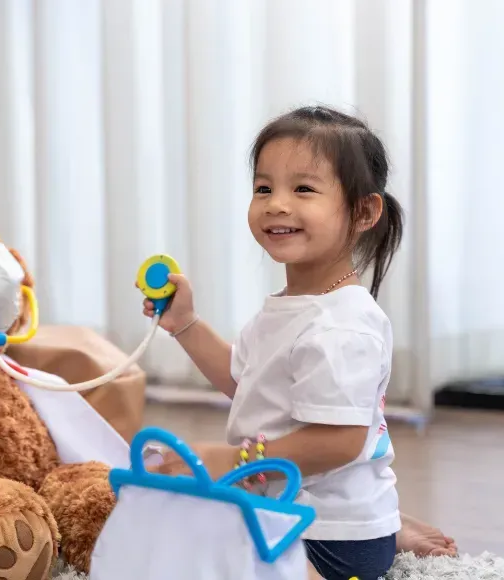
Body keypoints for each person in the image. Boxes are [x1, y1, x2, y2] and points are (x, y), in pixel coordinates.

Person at [142, 106, 456, 579]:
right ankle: (386, 523)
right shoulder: (290, 306)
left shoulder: (342, 325)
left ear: (364, 211)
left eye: (303, 189)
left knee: (194, 549)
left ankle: (377, 531)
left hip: (330, 535)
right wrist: (184, 323)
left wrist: (234, 460)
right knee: (173, 513)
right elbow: (245, 382)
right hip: (286, 505)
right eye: (263, 189)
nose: (276, 204)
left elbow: (340, 440)